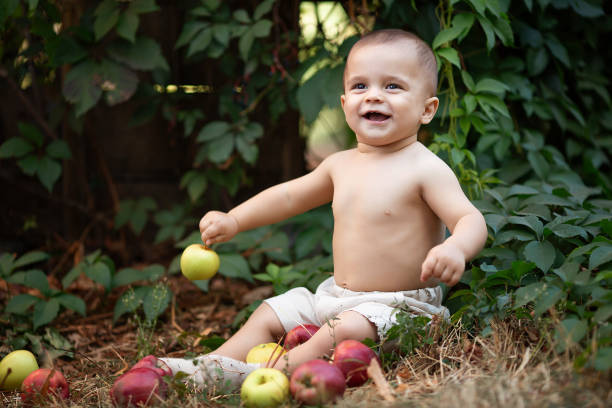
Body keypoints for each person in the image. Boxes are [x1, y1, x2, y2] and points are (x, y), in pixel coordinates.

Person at [160, 28, 488, 390]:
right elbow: (287, 197)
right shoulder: (339, 165)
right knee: (271, 311)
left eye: (393, 87)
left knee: (346, 328)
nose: (374, 96)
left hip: (398, 309)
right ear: (346, 103)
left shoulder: (424, 169)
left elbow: (469, 218)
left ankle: (262, 376)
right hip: (333, 297)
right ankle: (207, 365)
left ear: (427, 110)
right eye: (361, 86)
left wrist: (456, 247)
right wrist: (234, 219)